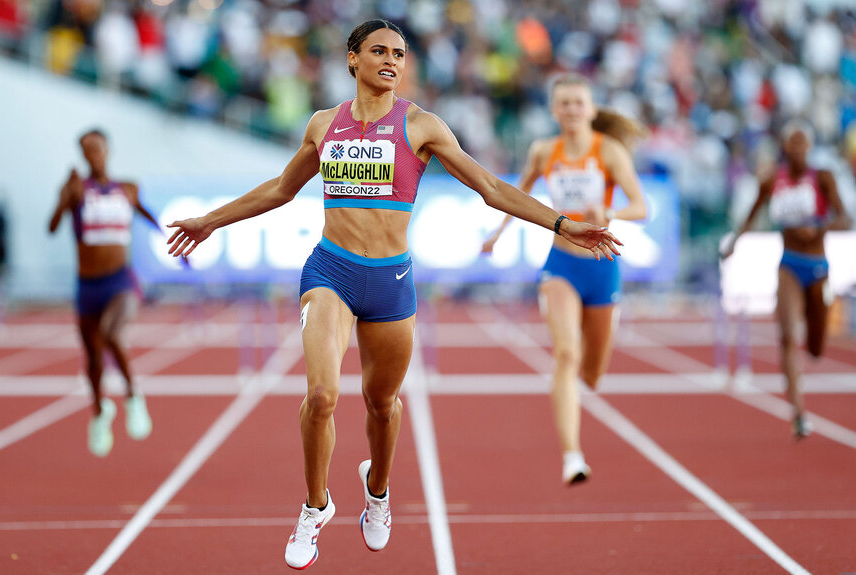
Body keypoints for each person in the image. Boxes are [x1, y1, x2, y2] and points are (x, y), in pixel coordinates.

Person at [166, 20, 622, 570]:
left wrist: (562, 223)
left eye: (400, 54)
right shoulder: (323, 125)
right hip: (330, 271)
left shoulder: (421, 126)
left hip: (390, 281)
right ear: (352, 58)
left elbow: (491, 187)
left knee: (382, 405)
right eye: (379, 51)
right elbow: (282, 190)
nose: (391, 61)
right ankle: (315, 505)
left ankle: (377, 493)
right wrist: (211, 222)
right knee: (322, 396)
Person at [482, 74, 647, 485]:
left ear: (591, 110)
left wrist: (611, 215)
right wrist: (498, 233)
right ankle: (572, 456)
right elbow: (515, 195)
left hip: (603, 265)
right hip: (560, 266)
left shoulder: (609, 151)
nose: (572, 110)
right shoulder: (544, 151)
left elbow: (641, 206)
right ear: (555, 111)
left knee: (591, 374)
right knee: (566, 355)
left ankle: (587, 374)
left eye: (579, 103)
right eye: (565, 103)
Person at [722, 122, 851, 438]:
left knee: (817, 348)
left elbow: (845, 216)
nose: (796, 149)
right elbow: (751, 214)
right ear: (784, 148)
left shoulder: (822, 177)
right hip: (789, 265)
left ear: (809, 147)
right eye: (790, 144)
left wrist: (819, 229)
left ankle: (811, 354)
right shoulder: (772, 180)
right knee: (788, 336)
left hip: (818, 266)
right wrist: (735, 242)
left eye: (801, 143)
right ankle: (798, 413)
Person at [48, 129, 157, 457]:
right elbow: (53, 226)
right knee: (93, 358)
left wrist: (176, 241)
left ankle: (133, 396)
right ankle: (98, 411)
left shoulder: (128, 189)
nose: (92, 156)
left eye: (97, 149)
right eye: (86, 150)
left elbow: (151, 216)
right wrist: (66, 197)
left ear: (108, 150)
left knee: (112, 334)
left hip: (119, 282)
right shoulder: (76, 189)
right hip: (87, 286)